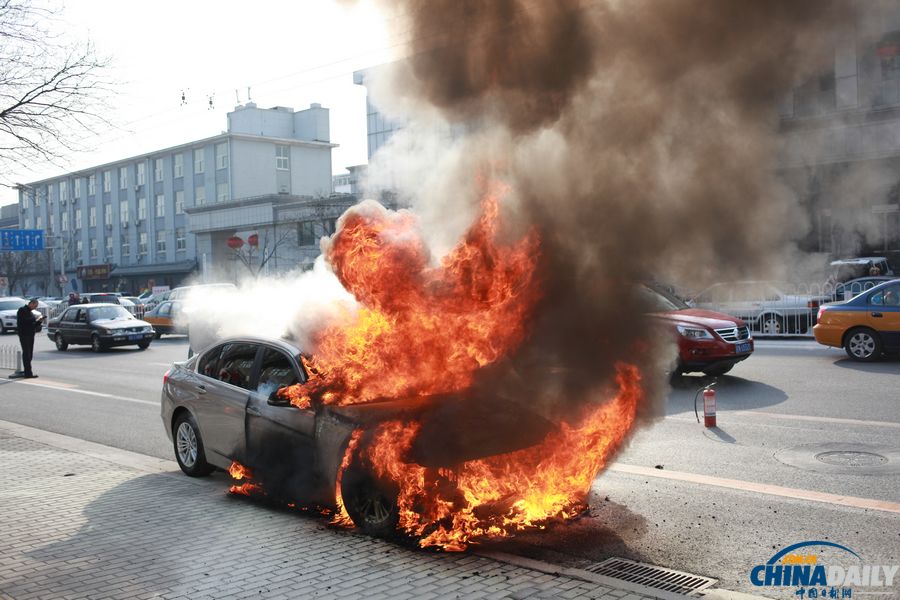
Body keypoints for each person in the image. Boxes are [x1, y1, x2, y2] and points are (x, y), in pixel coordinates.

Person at [14, 298, 42, 379]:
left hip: (30, 335)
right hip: (24, 335)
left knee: (30, 354)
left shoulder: (30, 312)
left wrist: (39, 321)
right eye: (35, 306)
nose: (35, 308)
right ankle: (28, 373)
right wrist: (34, 319)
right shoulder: (22, 310)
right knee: (26, 353)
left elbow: (32, 324)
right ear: (31, 303)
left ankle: (28, 371)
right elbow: (23, 321)